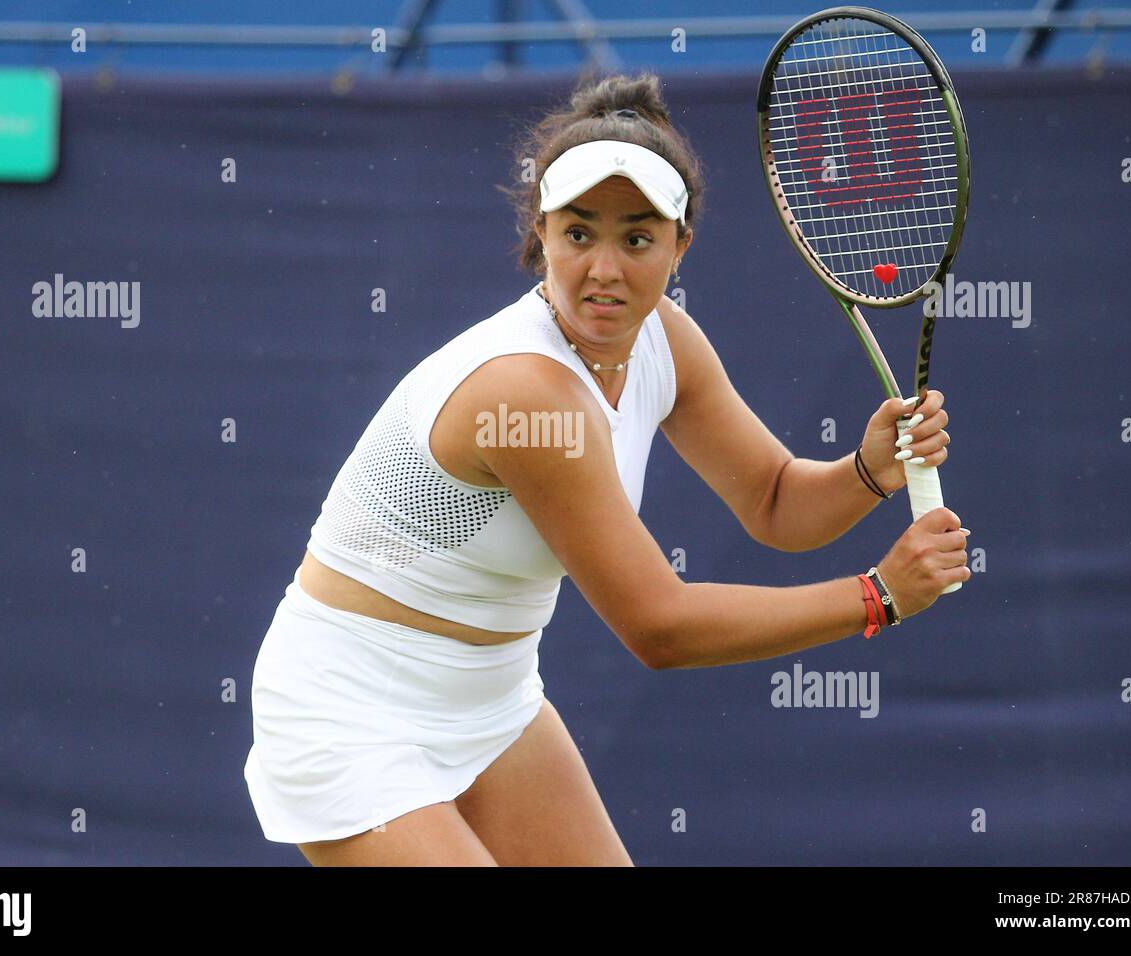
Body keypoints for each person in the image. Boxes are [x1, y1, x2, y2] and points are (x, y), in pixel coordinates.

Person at [243, 71, 969, 867]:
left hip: (491, 701)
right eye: (580, 233)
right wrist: (878, 597)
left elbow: (773, 501)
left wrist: (866, 470)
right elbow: (660, 627)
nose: (604, 271)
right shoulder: (526, 393)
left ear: (679, 244)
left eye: (637, 237)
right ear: (543, 231)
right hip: (347, 711)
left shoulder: (667, 340)